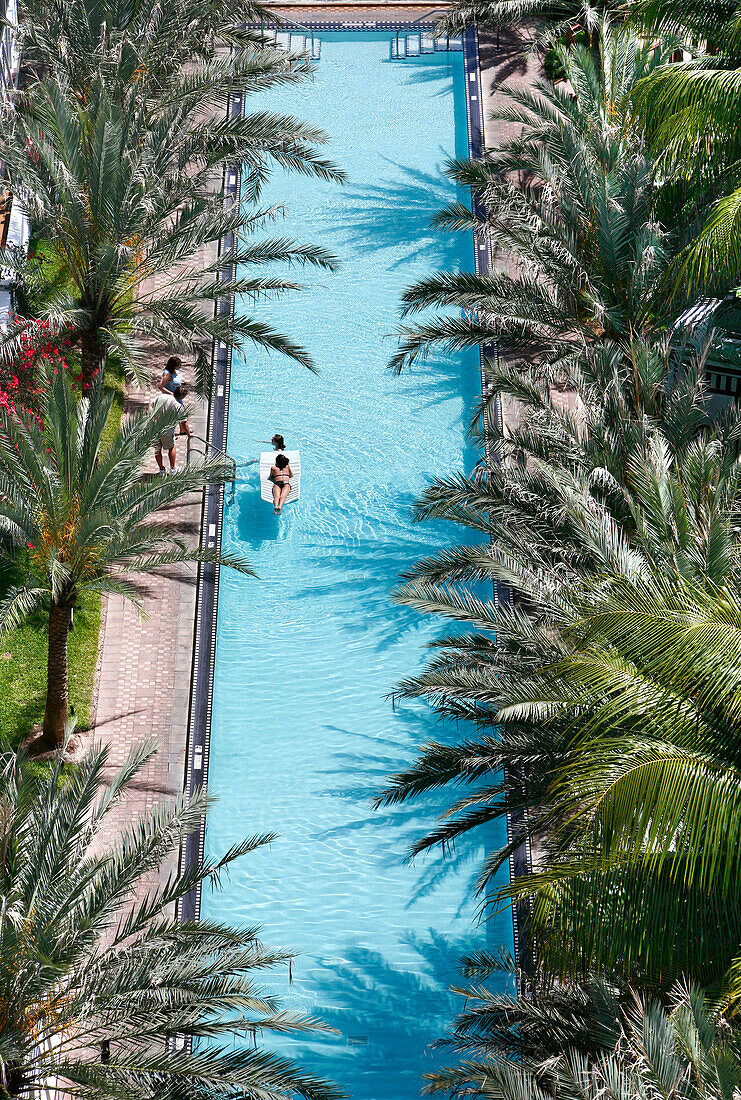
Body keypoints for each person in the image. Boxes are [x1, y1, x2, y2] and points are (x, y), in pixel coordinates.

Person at [150, 384, 192, 473]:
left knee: (157, 449)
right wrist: (189, 435)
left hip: (154, 429)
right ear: (181, 396)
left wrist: (152, 418)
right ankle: (173, 469)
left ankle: (161, 469)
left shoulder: (162, 396)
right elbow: (184, 423)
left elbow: (151, 405)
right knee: (171, 447)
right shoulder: (179, 407)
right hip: (167, 431)